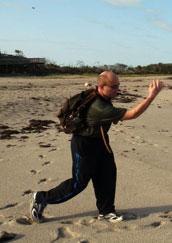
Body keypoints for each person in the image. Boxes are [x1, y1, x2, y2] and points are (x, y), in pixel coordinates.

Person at [30, 71, 164, 223]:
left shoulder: (100, 95)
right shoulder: (99, 106)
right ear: (101, 86)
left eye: (118, 85)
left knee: (107, 174)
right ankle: (40, 198)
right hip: (84, 145)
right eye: (113, 87)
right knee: (78, 184)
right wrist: (151, 96)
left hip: (101, 141)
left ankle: (106, 211)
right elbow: (133, 114)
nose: (117, 89)